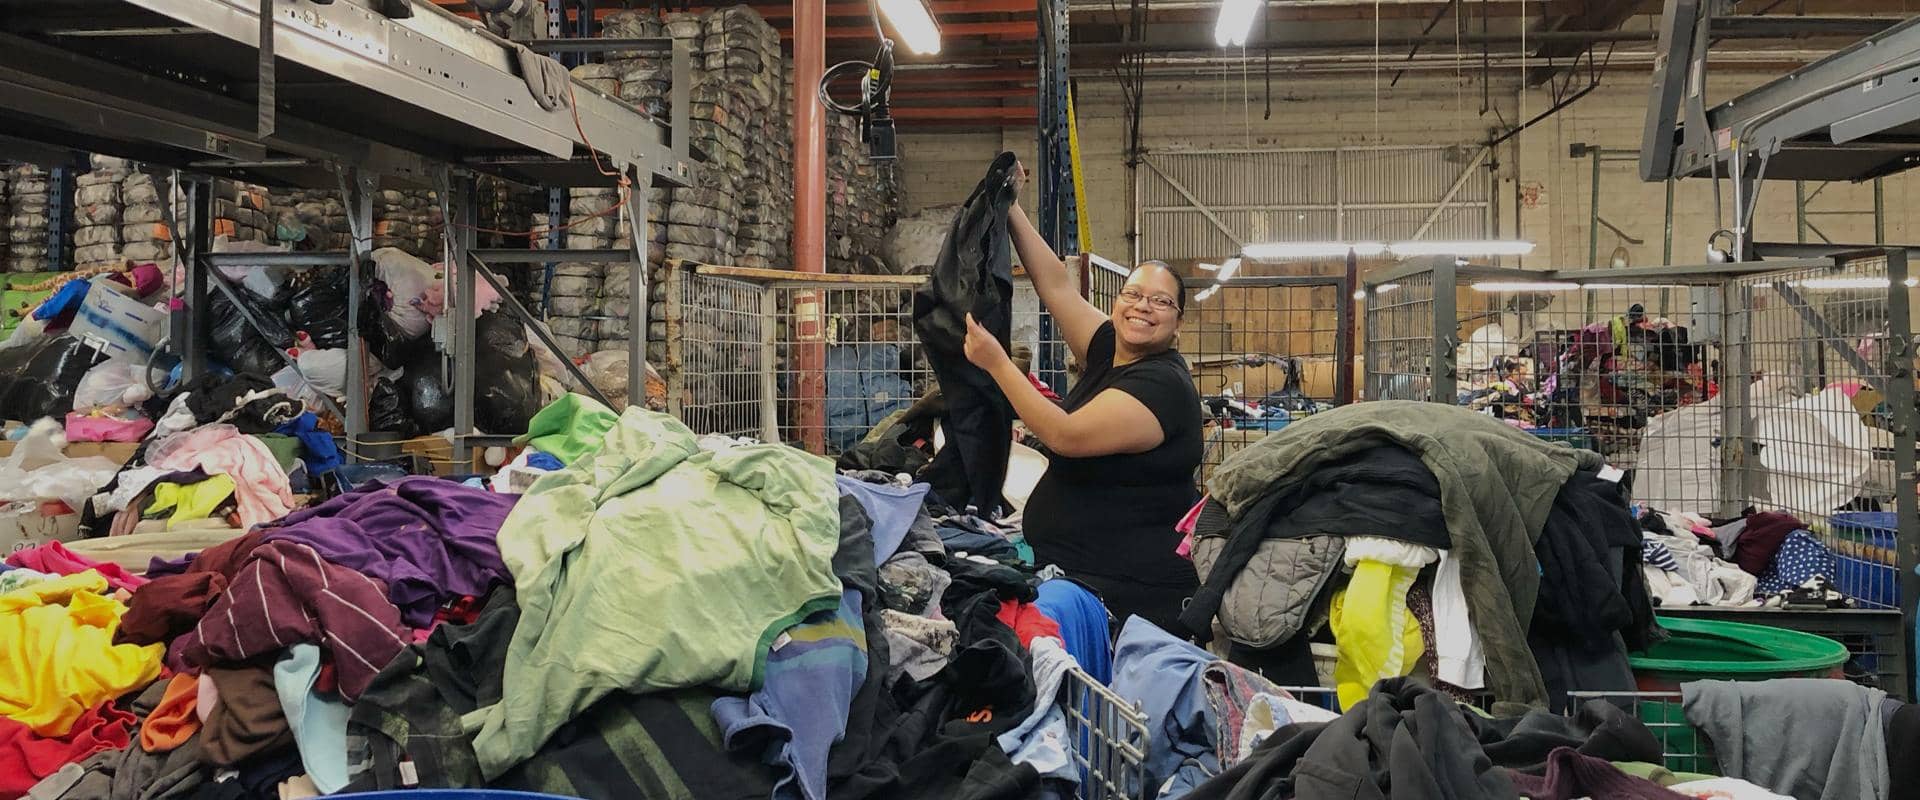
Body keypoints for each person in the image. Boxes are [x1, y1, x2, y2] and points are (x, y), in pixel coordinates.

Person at [958, 160, 1203, 637]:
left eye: (1161, 302)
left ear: (1178, 321)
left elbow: (1063, 435)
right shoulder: (1112, 346)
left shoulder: (1162, 388)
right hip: (1079, 574)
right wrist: (1010, 208)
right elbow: (1055, 284)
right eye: (1134, 294)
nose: (1142, 307)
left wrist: (998, 363)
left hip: (1130, 595)